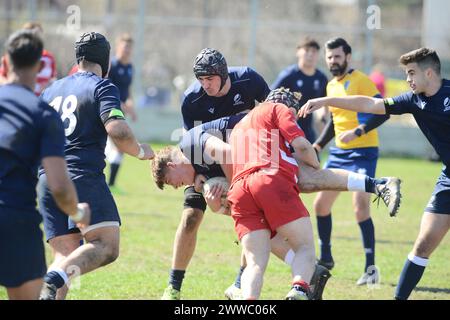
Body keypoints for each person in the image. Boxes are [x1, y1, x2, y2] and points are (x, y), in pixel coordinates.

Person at [152, 89, 402, 299]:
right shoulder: (274, 111)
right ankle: (300, 285)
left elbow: (223, 190)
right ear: (287, 106)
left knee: (256, 261)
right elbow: (302, 147)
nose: (179, 186)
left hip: (241, 189)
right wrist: (312, 159)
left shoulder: (233, 131)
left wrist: (221, 196)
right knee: (306, 226)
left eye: (174, 183)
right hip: (266, 177)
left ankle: (249, 290)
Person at [299, 47, 449, 300]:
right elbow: (369, 103)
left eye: (411, 73)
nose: (407, 79)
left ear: (430, 73)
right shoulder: (413, 100)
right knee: (423, 244)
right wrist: (324, 101)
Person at [38, 32, 154, 300]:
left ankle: (50, 285)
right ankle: (51, 278)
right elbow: (119, 131)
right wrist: (139, 151)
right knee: (106, 245)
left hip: (47, 178)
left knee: (66, 257)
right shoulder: (102, 86)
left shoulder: (50, 90)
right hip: (81, 176)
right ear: (106, 60)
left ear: (78, 58)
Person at [161, 47, 270, 300]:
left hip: (244, 159)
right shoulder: (192, 99)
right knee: (190, 216)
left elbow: (272, 112)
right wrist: (202, 178)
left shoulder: (249, 79)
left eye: (209, 79)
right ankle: (173, 287)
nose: (205, 85)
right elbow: (193, 141)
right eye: (200, 79)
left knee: (248, 217)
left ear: (223, 73)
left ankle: (240, 282)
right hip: (204, 163)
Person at [0, 30, 90, 300]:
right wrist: (76, 212)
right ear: (40, 67)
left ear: (5, 63)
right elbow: (59, 185)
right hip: (16, 220)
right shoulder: (42, 114)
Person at [311, 38, 390, 285]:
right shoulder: (331, 86)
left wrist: (359, 131)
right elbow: (335, 123)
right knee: (320, 205)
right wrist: (318, 145)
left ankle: (370, 269)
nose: (333, 61)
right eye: (329, 57)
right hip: (338, 154)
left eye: (337, 56)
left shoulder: (361, 81)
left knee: (360, 207)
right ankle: (326, 259)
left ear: (348, 57)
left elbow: (383, 112)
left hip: (364, 151)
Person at [271, 36, 328, 143]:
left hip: (308, 130)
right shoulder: (289, 75)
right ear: (298, 52)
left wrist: (322, 117)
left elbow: (323, 102)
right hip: (285, 129)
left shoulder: (321, 78)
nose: (310, 54)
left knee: (312, 158)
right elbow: (270, 98)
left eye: (314, 51)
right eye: (306, 50)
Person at [105, 33, 136, 191]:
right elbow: (108, 89)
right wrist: (122, 104)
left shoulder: (130, 67)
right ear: (118, 47)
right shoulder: (113, 65)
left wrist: (131, 105)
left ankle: (111, 184)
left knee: (118, 146)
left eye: (129, 47)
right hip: (110, 110)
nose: (127, 50)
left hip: (121, 110)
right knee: (118, 144)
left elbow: (127, 89)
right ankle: (109, 184)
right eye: (124, 47)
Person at [0, 22, 57, 96]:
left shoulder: (49, 58)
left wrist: (47, 87)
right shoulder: (14, 54)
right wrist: (11, 88)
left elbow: (52, 79)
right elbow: (1, 76)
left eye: (39, 34)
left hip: (40, 98)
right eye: (33, 34)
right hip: (17, 97)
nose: (36, 37)